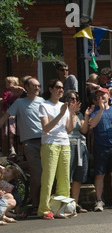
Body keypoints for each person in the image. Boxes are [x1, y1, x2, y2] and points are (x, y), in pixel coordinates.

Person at [0, 77, 43, 214]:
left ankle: (45, 203)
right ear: (27, 87)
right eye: (34, 86)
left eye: (38, 86)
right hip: (30, 143)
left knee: (47, 174)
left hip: (46, 141)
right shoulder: (19, 102)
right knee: (37, 174)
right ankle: (36, 204)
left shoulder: (43, 102)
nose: (37, 88)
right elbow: (5, 118)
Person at [38, 79, 76, 220]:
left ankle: (61, 207)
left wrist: (71, 114)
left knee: (64, 178)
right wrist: (61, 114)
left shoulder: (63, 106)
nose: (61, 90)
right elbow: (46, 128)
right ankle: (44, 209)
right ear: (51, 89)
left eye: (62, 88)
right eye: (58, 87)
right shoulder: (44, 105)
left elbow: (68, 129)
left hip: (64, 143)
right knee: (48, 178)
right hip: (50, 144)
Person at [67, 90, 90, 213]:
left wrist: (86, 116)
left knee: (78, 176)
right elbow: (68, 128)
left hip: (81, 145)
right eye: (72, 99)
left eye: (76, 99)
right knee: (68, 175)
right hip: (69, 145)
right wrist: (71, 113)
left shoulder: (79, 115)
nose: (74, 101)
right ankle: (66, 203)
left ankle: (75, 203)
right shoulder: (64, 113)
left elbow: (84, 130)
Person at [1, 76, 23, 156]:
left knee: (19, 132)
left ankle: (21, 149)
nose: (7, 84)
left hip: (18, 115)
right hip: (10, 115)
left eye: (9, 82)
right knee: (10, 132)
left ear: (15, 83)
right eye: (6, 83)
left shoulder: (19, 91)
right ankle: (11, 147)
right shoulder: (6, 92)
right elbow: (6, 99)